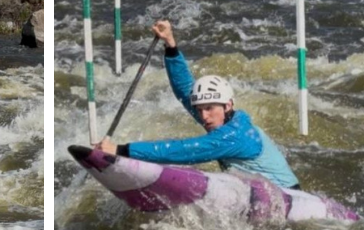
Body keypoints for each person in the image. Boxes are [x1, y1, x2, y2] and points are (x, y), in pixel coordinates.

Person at [96, 20, 301, 190]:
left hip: (288, 195)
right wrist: (170, 45)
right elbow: (184, 89)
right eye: (200, 109)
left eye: (209, 108)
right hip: (258, 190)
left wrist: (120, 150)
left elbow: (184, 151)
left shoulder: (235, 135)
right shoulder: (219, 118)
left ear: (228, 105)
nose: (204, 116)